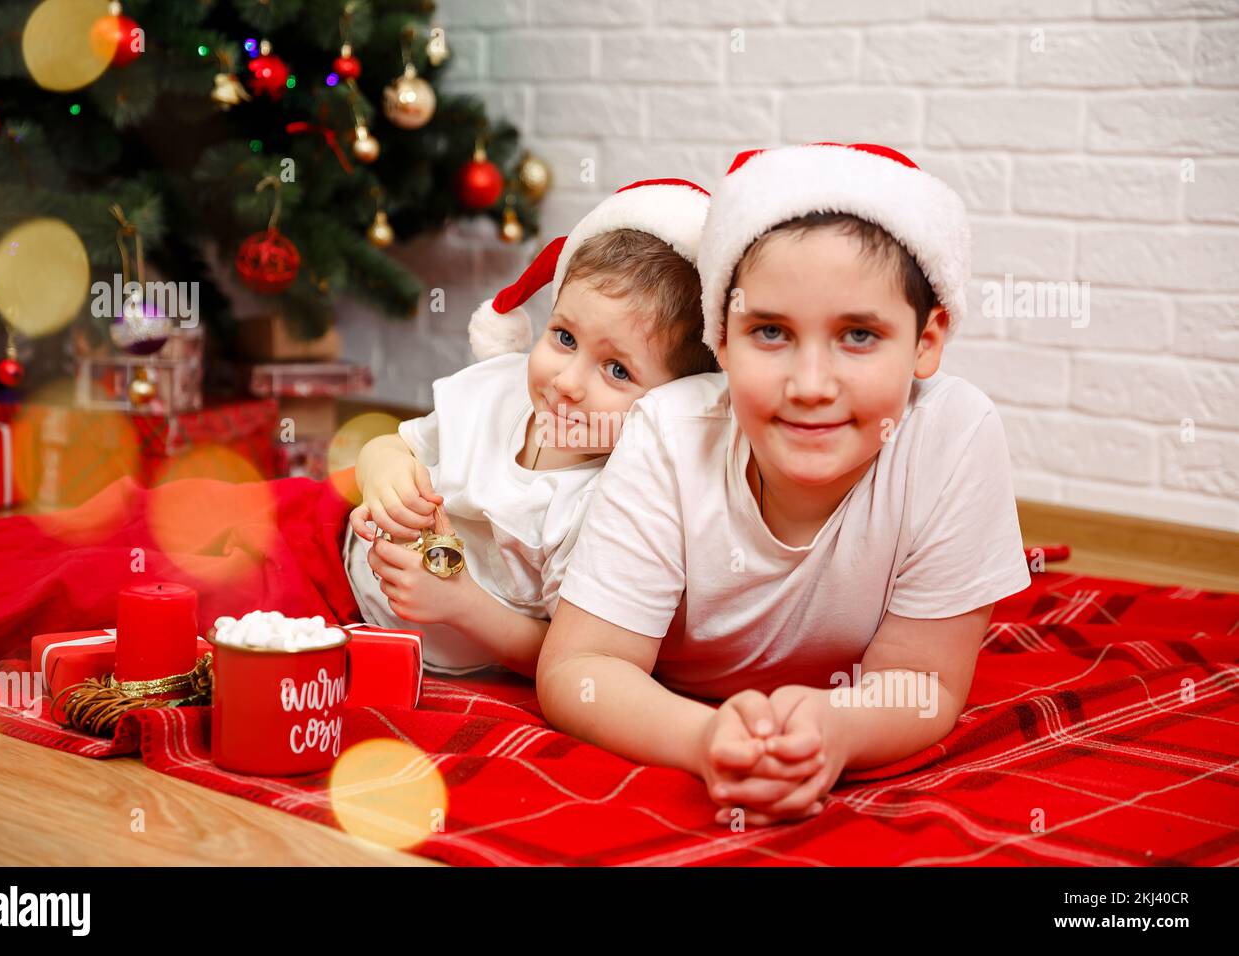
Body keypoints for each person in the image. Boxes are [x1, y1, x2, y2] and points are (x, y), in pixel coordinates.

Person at [536, 143, 1033, 826]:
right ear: (722, 336)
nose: (810, 387)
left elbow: (922, 681)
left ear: (926, 340)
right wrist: (705, 739)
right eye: (770, 331)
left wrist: (836, 726)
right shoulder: (669, 433)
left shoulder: (954, 434)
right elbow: (581, 667)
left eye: (858, 335)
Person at [344, 179, 719, 678]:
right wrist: (383, 473)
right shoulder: (498, 392)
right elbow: (394, 442)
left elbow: (564, 652)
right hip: (343, 579)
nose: (567, 382)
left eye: (617, 370)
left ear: (670, 402)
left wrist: (460, 605)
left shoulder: (614, 504)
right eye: (564, 337)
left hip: (440, 661)